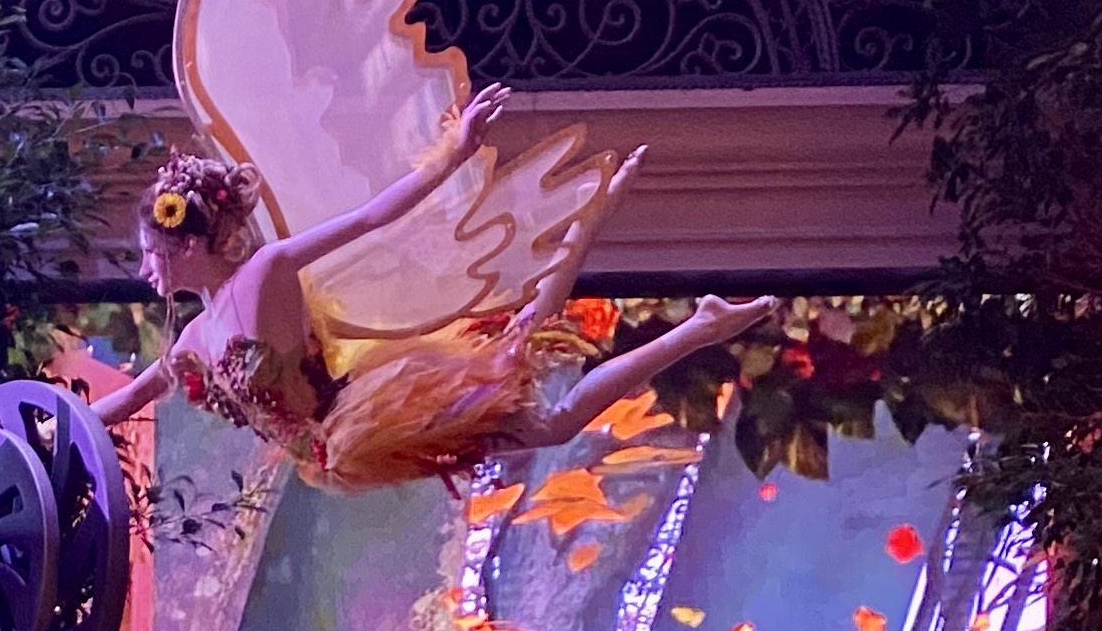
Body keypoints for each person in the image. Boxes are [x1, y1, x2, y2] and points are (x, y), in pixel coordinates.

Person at [97, 87, 775, 487]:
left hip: (366, 419)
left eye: (151, 254)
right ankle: (659, 288)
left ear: (188, 245)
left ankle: (694, 323)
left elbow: (370, 218)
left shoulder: (266, 272)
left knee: (539, 406)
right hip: (337, 451)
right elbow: (131, 397)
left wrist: (453, 154)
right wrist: (57, 427)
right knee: (519, 366)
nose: (145, 271)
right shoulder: (194, 339)